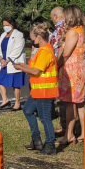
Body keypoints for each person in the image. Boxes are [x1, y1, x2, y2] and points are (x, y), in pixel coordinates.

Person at [14, 22, 59, 155]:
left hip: (45, 91)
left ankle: (50, 145)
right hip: (39, 90)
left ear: (39, 37)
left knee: (45, 118)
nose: (33, 41)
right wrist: (23, 65)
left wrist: (21, 68)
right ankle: (36, 139)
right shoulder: (42, 51)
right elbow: (35, 68)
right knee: (28, 110)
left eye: (33, 38)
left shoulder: (45, 52)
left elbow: (35, 71)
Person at [57, 5, 85, 145]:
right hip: (81, 67)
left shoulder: (72, 32)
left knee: (70, 103)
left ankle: (69, 134)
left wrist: (57, 65)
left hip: (72, 69)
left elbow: (66, 54)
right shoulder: (83, 30)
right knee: (80, 103)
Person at [0, 16, 26, 111]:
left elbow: (18, 49)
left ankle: (17, 103)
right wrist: (0, 58)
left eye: (7, 25)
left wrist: (7, 60)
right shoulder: (3, 35)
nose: (5, 27)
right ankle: (5, 100)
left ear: (12, 25)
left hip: (13, 61)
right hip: (3, 62)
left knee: (16, 84)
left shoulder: (18, 35)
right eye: (4, 25)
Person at [49, 7, 67, 137]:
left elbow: (60, 50)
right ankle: (65, 126)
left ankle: (65, 127)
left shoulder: (60, 30)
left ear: (55, 17)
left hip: (61, 66)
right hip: (63, 66)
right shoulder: (67, 27)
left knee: (63, 99)